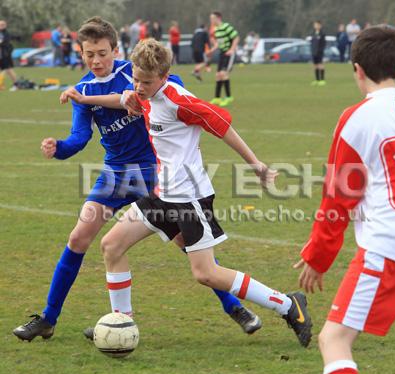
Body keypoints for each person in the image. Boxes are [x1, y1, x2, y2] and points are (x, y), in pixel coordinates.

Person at [13, 17, 261, 342]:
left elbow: (173, 85)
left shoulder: (136, 74)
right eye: (89, 54)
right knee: (78, 238)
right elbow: (78, 138)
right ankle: (48, 317)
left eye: (102, 53)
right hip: (115, 176)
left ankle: (235, 308)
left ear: (115, 50)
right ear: (81, 53)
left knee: (188, 245)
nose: (96, 60)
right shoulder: (84, 90)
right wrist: (58, 148)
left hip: (153, 174)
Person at [102, 37, 313, 348]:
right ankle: (121, 324)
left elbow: (222, 126)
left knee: (206, 273)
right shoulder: (143, 92)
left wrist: (256, 165)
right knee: (111, 246)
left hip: (189, 198)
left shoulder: (180, 101)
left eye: (146, 81)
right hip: (162, 193)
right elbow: (125, 98)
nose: (139, 86)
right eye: (135, 78)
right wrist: (83, 98)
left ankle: (287, 305)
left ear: (164, 76)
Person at [295, 25, 395, 374]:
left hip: (390, 245)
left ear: (357, 70)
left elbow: (337, 197)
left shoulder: (356, 118)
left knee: (333, 340)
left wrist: (318, 258)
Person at [208, 11, 239, 107]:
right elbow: (218, 43)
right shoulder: (216, 30)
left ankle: (229, 97)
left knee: (223, 73)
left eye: (212, 18)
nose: (211, 20)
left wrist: (232, 49)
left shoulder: (226, 26)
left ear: (218, 18)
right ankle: (217, 98)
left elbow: (236, 37)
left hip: (228, 53)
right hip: (222, 53)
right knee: (218, 75)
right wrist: (212, 50)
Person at [0, 20, 18, 90]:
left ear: (5, 25)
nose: (1, 26)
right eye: (0, 25)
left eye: (2, 25)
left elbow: (5, 44)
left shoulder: (6, 34)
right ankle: (1, 86)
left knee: (9, 70)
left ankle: (16, 85)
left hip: (5, 55)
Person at [310, 20, 326, 86]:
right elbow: (312, 43)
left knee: (320, 65)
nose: (316, 26)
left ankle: (322, 80)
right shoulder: (313, 33)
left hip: (319, 52)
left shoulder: (322, 34)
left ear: (320, 25)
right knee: (315, 66)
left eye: (317, 25)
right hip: (314, 52)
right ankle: (317, 80)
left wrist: (320, 50)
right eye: (315, 25)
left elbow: (323, 44)